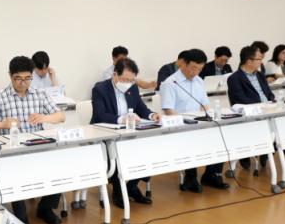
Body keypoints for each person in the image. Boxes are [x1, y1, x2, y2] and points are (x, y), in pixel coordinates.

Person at [0, 56, 66, 224]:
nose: (23, 83)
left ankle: (45, 208)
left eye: (27, 78)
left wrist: (45, 118)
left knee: (59, 166)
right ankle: (21, 215)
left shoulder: (40, 94)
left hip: (37, 148)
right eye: (18, 78)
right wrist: (2, 124)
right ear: (10, 76)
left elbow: (61, 116)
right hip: (11, 153)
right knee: (14, 173)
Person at [92, 58, 160, 208]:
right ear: (115, 74)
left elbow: (141, 108)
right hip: (105, 135)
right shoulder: (100, 89)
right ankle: (118, 192)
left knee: (150, 151)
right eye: (125, 79)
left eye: (131, 80)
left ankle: (131, 187)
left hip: (128, 134)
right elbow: (100, 115)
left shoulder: (132, 88)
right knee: (118, 154)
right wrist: (121, 119)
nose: (128, 83)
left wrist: (152, 115)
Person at [160, 49, 229, 192]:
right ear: (183, 64)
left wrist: (210, 117)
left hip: (198, 123)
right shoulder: (170, 82)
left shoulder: (199, 81)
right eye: (193, 68)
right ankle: (190, 178)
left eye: (200, 69)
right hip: (180, 126)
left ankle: (211, 175)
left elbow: (205, 104)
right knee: (192, 138)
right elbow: (168, 110)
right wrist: (186, 123)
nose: (196, 72)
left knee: (220, 134)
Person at [228, 46, 278, 170]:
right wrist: (263, 106)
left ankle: (267, 152)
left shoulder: (260, 75)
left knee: (283, 131)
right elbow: (240, 100)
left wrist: (272, 102)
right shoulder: (234, 78)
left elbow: (269, 94)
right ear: (249, 61)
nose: (261, 61)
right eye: (259, 59)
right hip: (251, 115)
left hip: (268, 112)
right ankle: (246, 155)